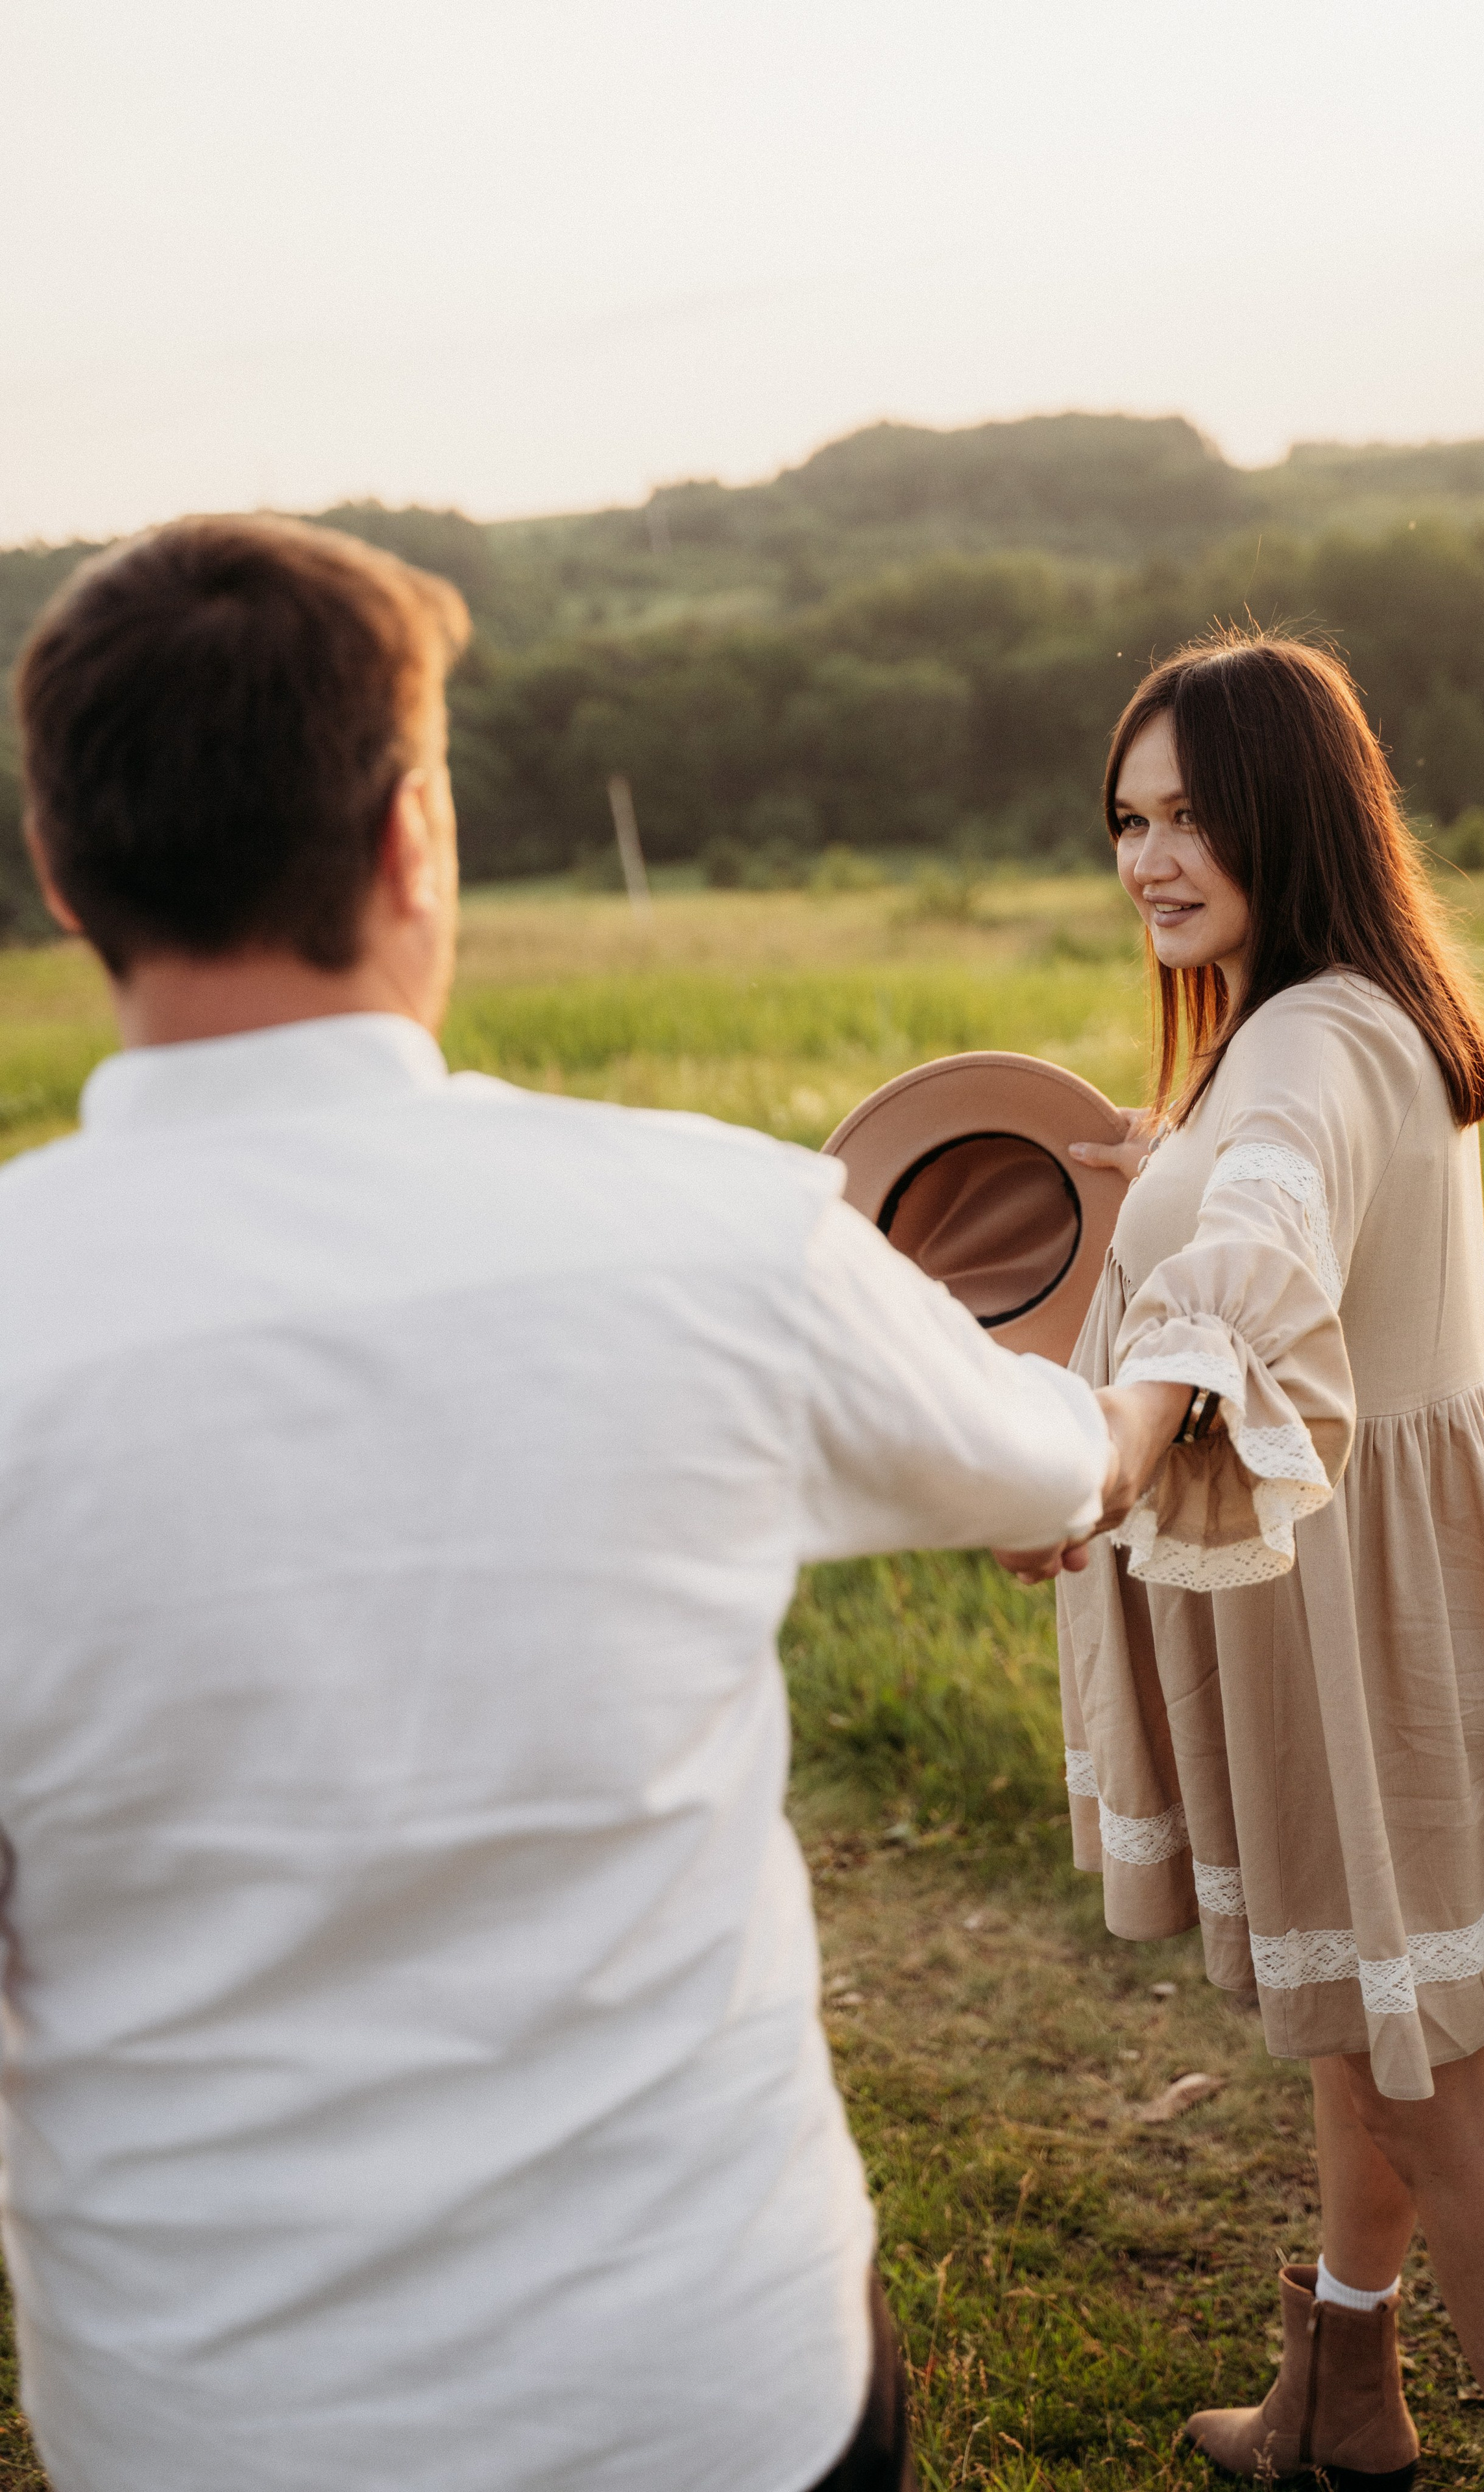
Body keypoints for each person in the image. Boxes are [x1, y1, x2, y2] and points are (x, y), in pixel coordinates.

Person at [3, 514, 1116, 2492]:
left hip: (207, 2427)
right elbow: (1056, 1462)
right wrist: (1135, 1415)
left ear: (59, 866)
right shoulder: (722, 1228)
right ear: (412, 839)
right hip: (717, 2391)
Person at [995, 632, 1484, 2492]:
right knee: (1371, 2032)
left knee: (1431, 2087)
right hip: (1360, 1593)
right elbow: (1263, 1194)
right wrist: (1154, 1165)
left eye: (1191, 816)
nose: (1148, 860)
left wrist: (1112, 1449)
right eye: (1127, 820)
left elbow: (1266, 1245)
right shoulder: (1334, 1012)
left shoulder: (1308, 1040)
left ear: (1293, 811)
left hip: (1368, 1619)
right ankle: (1342, 2398)